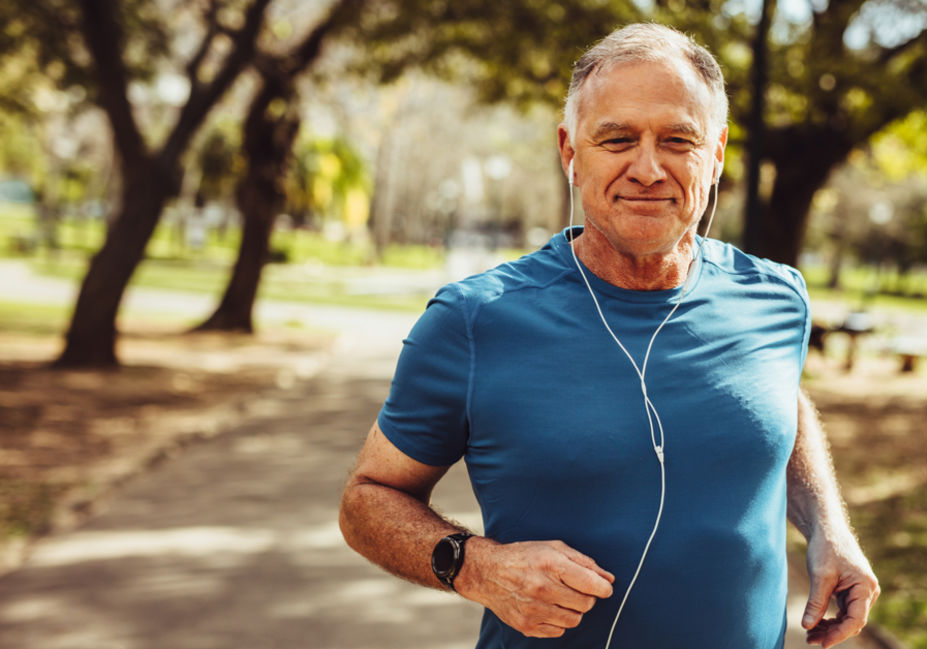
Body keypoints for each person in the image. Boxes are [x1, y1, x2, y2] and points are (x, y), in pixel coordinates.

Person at [338, 23, 879, 649]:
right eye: (617, 138)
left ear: (718, 153)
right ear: (570, 152)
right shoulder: (474, 319)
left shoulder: (777, 298)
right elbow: (367, 498)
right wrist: (477, 567)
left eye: (678, 139)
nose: (647, 169)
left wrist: (829, 526)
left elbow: (777, 403)